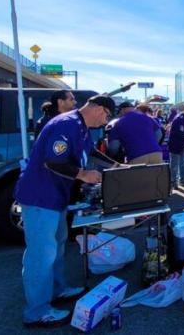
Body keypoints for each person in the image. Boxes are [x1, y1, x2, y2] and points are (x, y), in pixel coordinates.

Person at [15, 95, 116, 327]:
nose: (105, 121)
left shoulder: (81, 127)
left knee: (57, 246)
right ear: (99, 109)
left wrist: (115, 165)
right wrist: (83, 175)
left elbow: (91, 152)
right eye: (107, 116)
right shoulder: (66, 123)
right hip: (40, 197)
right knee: (41, 254)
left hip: (57, 197)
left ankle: (57, 290)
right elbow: (53, 161)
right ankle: (37, 311)